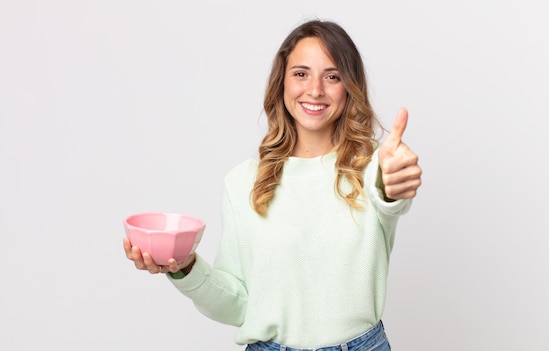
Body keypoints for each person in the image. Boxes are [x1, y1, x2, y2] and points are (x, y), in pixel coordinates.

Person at [123, 19, 422, 351]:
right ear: (282, 83)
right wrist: (185, 268)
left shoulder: (373, 167)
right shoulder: (242, 182)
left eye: (332, 76)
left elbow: (390, 193)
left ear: (349, 86)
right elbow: (238, 304)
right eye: (301, 73)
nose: (315, 90)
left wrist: (395, 181)